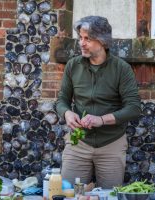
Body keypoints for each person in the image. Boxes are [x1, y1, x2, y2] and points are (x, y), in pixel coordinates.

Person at [56, 15, 141, 188]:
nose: (82, 43)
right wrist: (67, 113)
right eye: (80, 38)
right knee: (67, 193)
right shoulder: (73, 66)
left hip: (112, 144)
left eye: (88, 38)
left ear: (102, 41)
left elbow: (133, 108)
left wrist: (101, 120)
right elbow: (62, 100)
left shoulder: (121, 68)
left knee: (109, 196)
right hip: (78, 143)